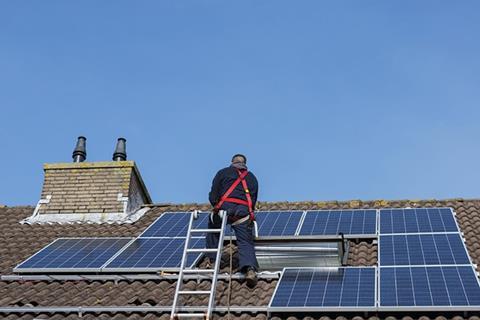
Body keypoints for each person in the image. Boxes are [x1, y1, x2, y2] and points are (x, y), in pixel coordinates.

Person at [207, 154, 259, 287]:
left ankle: (213, 261)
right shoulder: (252, 178)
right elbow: (252, 200)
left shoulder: (223, 173)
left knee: (213, 229)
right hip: (242, 213)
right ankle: (250, 269)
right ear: (245, 164)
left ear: (232, 162)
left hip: (224, 210)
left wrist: (216, 206)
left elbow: (213, 194)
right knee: (245, 241)